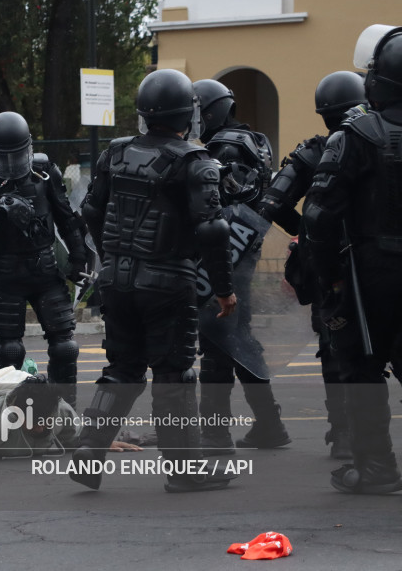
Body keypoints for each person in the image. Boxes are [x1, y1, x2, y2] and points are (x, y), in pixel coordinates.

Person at [71, 69, 238, 493]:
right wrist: (223, 287)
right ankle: (186, 471)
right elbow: (214, 230)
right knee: (173, 373)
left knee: (121, 368)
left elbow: (91, 211)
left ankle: (88, 453)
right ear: (188, 112)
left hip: (116, 280)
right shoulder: (195, 161)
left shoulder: (115, 152)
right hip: (167, 281)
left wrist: (111, 257)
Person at [303, 24, 402, 494]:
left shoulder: (355, 135)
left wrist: (330, 280)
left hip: (372, 273)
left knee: (363, 370)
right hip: (374, 267)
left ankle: (378, 469)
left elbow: (319, 217)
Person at [258, 71, 367, 460]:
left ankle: (343, 434)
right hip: (374, 262)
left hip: (328, 263)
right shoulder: (379, 142)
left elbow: (271, 203)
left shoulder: (314, 151)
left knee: (335, 349)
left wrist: (306, 229)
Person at [0, 112, 87, 408]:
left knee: (65, 346)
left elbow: (68, 219)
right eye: (4, 157)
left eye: (17, 156)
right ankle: (15, 414)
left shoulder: (45, 171)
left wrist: (78, 260)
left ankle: (65, 413)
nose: (11, 165)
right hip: (5, 271)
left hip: (45, 267)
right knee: (10, 351)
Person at [191, 79, 291, 455]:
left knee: (217, 342)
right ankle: (270, 424)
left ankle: (214, 435)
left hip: (227, 254)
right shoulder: (255, 141)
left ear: (211, 110)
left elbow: (218, 209)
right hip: (246, 250)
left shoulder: (225, 148)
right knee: (239, 338)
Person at [0, 371, 140, 469]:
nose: (38, 428)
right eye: (30, 422)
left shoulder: (60, 411)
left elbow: (76, 436)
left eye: (42, 422)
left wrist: (100, 441)